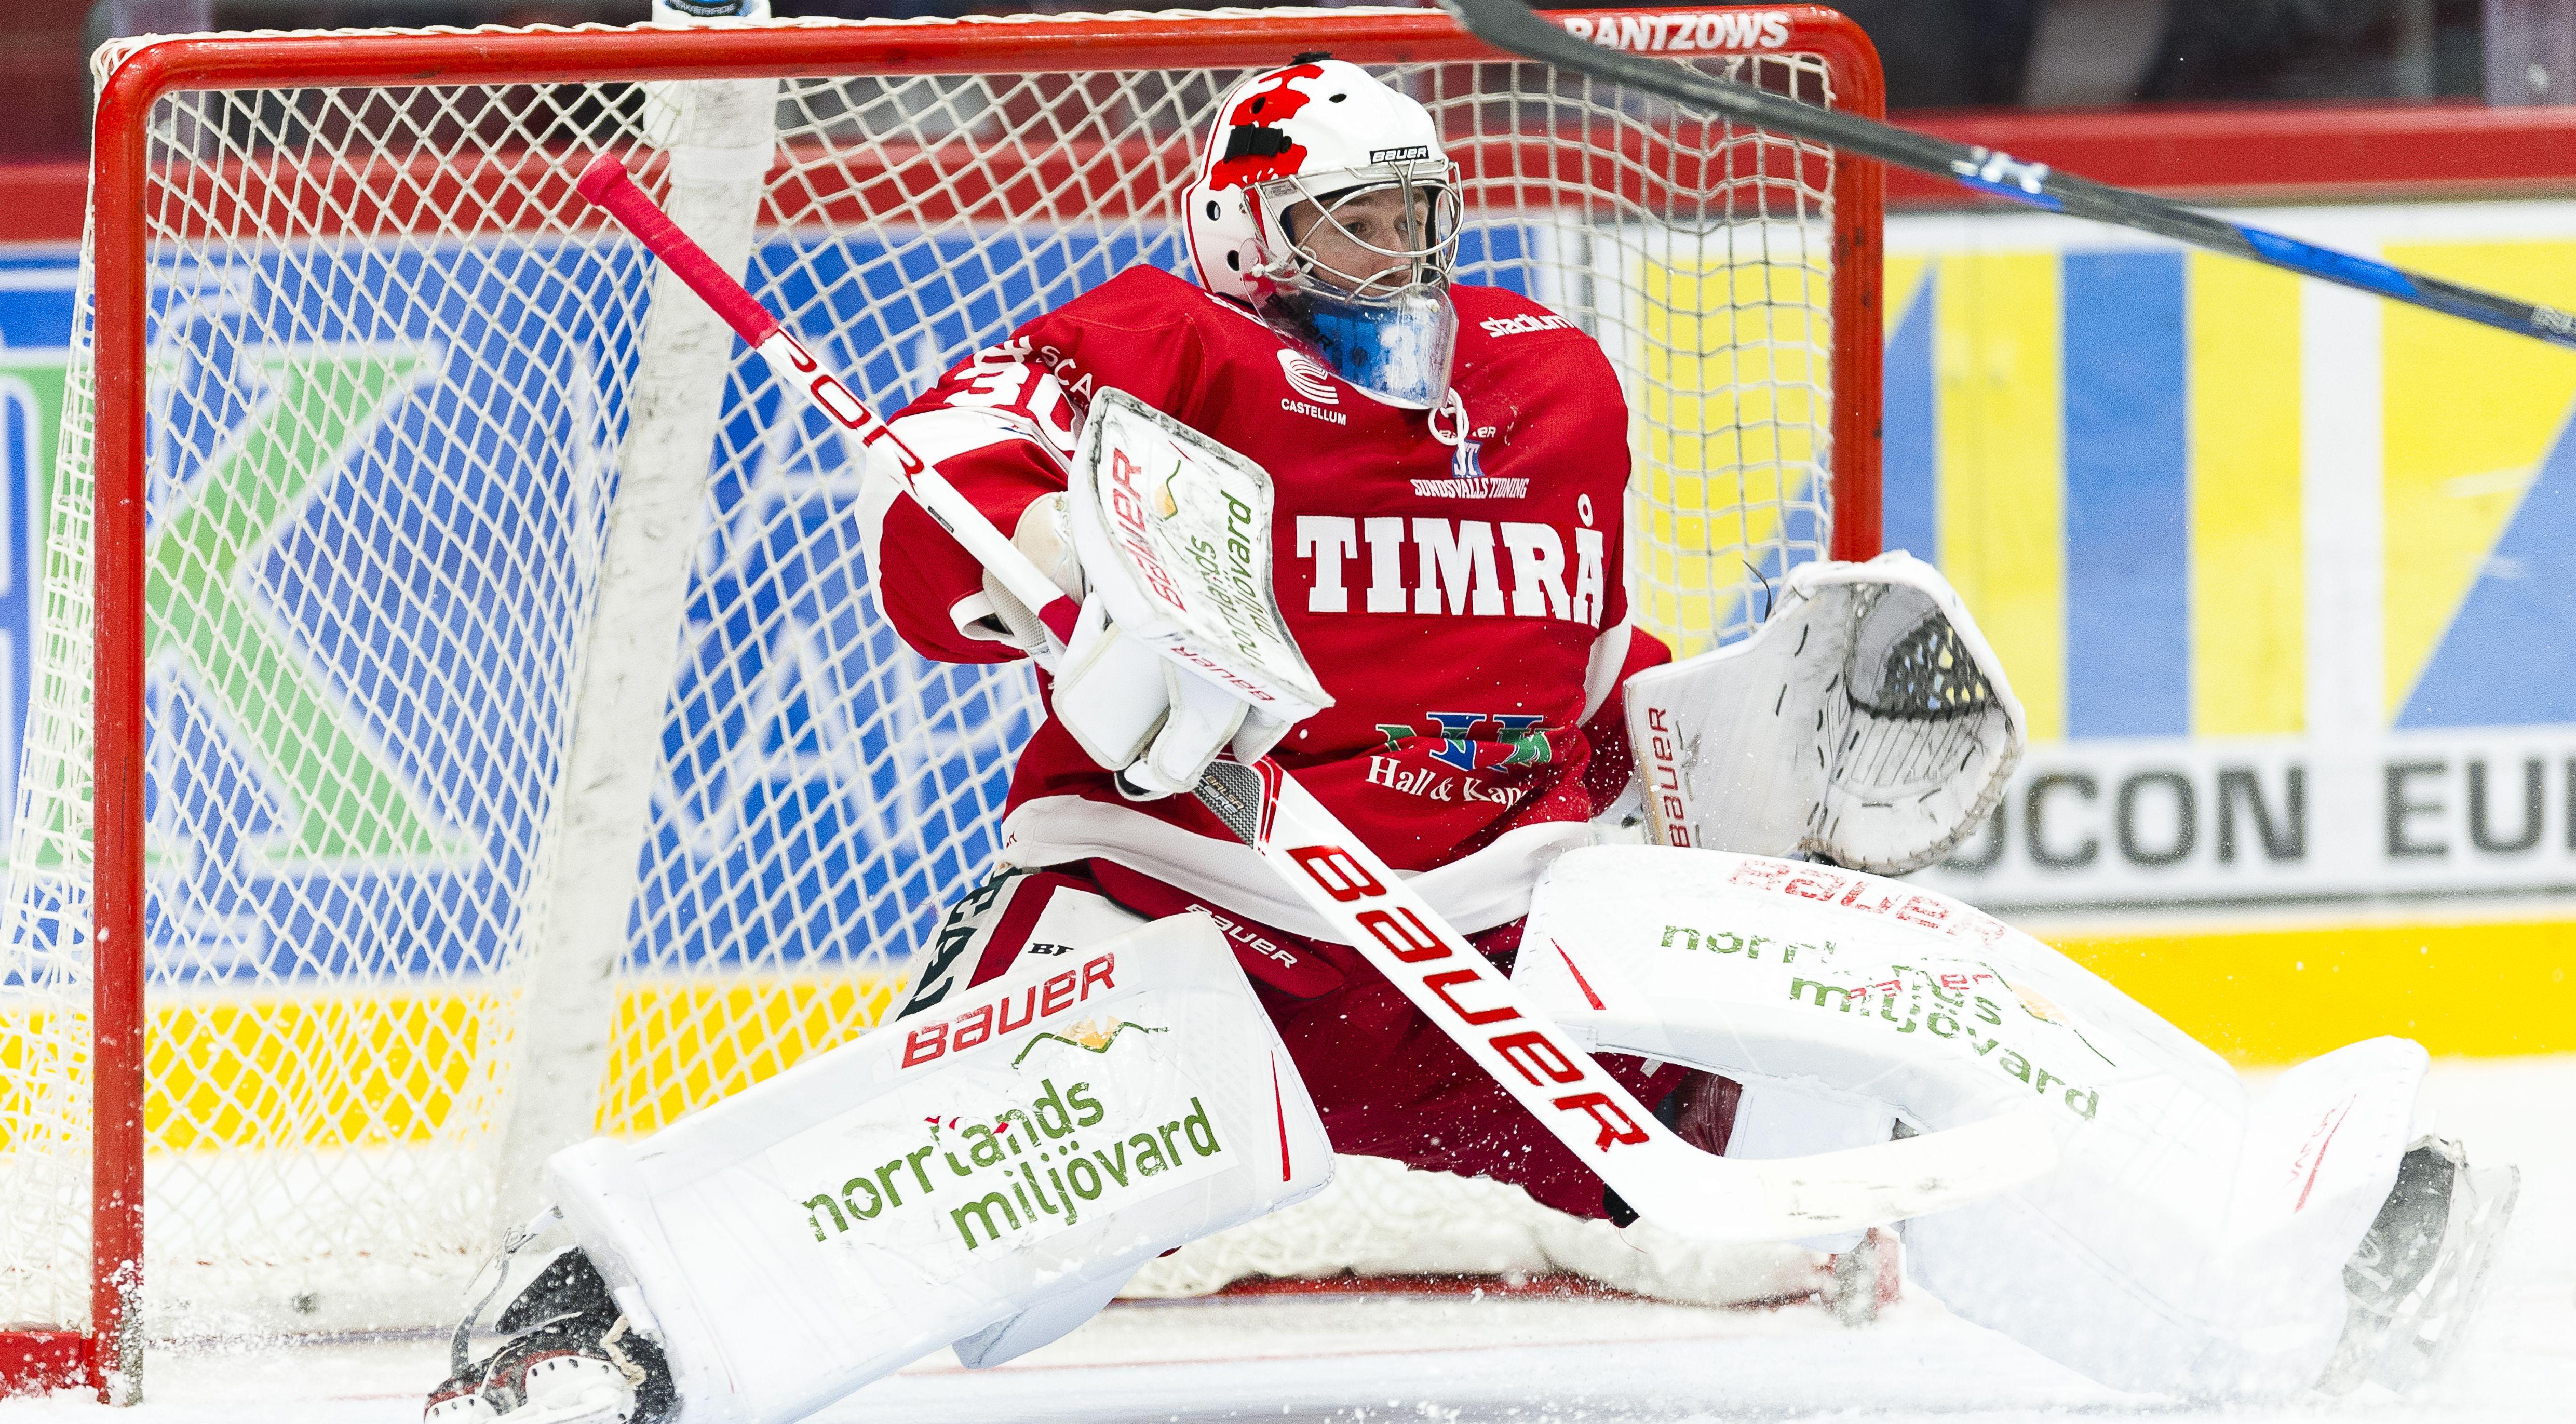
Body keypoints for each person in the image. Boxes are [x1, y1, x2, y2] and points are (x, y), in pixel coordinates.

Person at [425, 58, 2511, 1424]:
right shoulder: (1162, 339)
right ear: (1250, 224)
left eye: (1420, 212)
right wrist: (1059, 570)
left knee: (1890, 980)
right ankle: (616, 1322)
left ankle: (2267, 1239)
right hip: (1204, 903)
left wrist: (1741, 736)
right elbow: (950, 475)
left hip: (1508, 943)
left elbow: (1592, 670)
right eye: (1350, 221)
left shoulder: (1547, 380)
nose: (1400, 257)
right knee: (996, 1205)